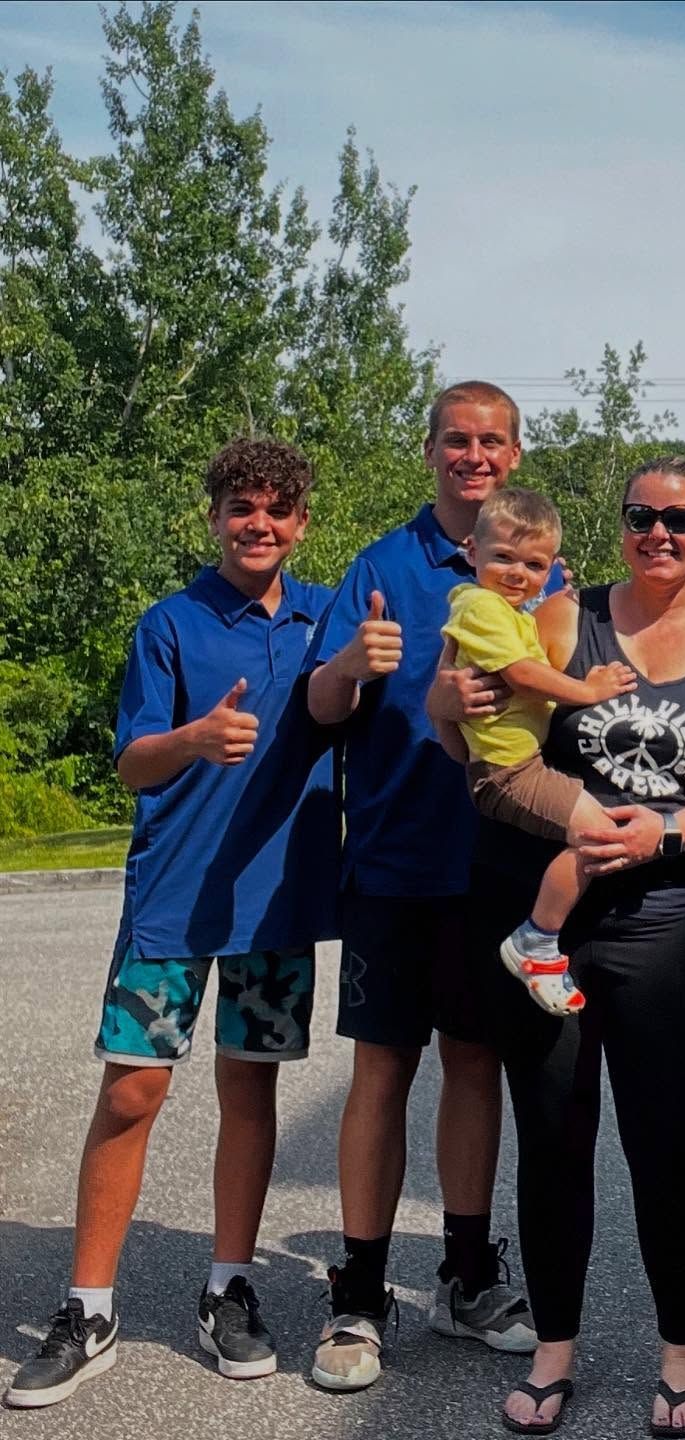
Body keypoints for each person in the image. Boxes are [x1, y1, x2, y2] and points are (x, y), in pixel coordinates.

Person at [429, 455, 685, 1436]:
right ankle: (555, 1353)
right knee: (552, 1142)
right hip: (541, 920)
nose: (660, 533)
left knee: (666, 1145)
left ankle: (681, 1358)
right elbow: (475, 734)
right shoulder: (564, 615)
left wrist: (668, 833)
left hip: (665, 925)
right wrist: (445, 709)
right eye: (642, 516)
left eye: (681, 518)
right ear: (623, 524)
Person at [4, 439, 340, 1408]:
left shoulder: (328, 623)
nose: (260, 523)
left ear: (302, 522)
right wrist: (194, 739)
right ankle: (89, 1305)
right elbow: (132, 765)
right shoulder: (171, 625)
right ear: (214, 518)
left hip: (277, 904)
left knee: (252, 1089)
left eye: (278, 508)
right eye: (242, 506)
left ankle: (228, 1288)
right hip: (173, 902)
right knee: (134, 1092)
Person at [303, 382, 538, 1391]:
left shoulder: (543, 570)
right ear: (431, 450)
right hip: (395, 861)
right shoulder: (381, 566)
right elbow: (318, 707)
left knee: (476, 1060)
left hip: (498, 862)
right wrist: (354, 662)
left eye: (491, 441)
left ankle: (468, 1275)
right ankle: (358, 1293)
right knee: (382, 1070)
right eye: (456, 440)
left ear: (515, 454)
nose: (473, 456)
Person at [439, 487, 637, 1015]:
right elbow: (524, 676)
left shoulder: (516, 614)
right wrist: (592, 690)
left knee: (599, 832)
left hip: (519, 762)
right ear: (471, 551)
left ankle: (544, 938)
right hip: (507, 771)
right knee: (597, 837)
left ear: (551, 569)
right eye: (502, 557)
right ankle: (537, 942)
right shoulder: (479, 605)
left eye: (533, 564)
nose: (516, 573)